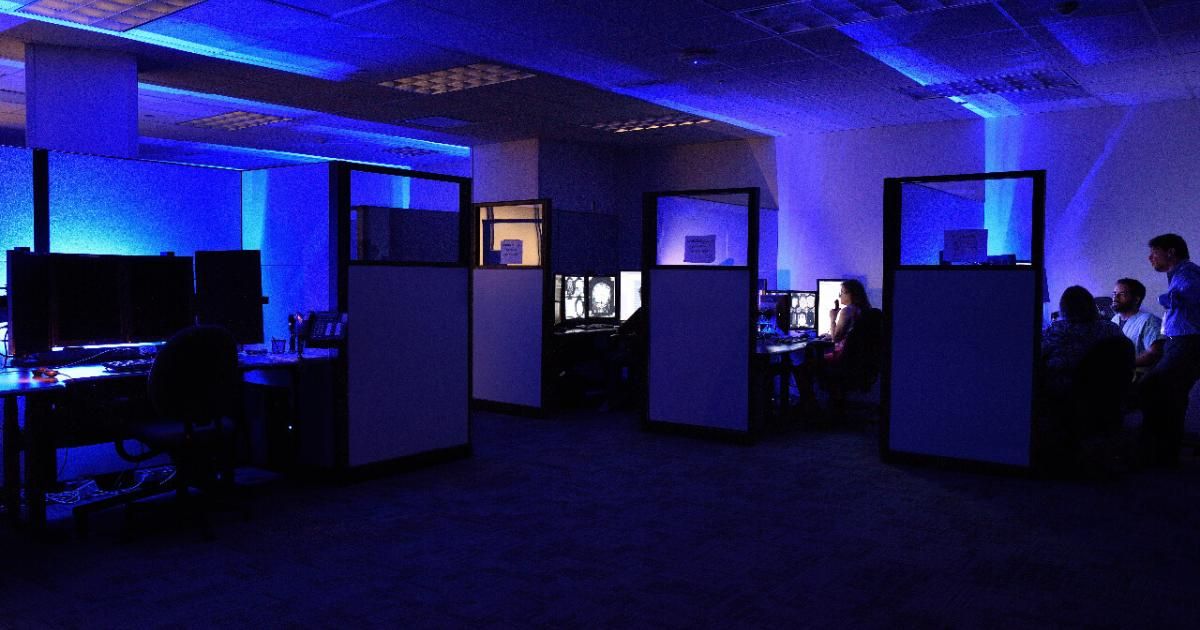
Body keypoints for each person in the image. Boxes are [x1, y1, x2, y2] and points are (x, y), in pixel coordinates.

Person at [1138, 233, 1200, 467]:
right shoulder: (1180, 274)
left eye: (1154, 253)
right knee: (1172, 397)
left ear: (1171, 252)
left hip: (1186, 343)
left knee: (1153, 388)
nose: (1150, 258)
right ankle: (1164, 453)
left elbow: (1191, 292)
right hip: (1181, 343)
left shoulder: (1187, 273)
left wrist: (1167, 298)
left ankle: (1157, 453)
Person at [1041, 286, 1124, 406]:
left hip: (1062, 399)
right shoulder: (1112, 328)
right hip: (1104, 396)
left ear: (1063, 308)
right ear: (1092, 305)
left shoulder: (1056, 330)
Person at [1110, 277, 1163, 367]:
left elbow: (1153, 354)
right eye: (1114, 294)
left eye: (1122, 294)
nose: (1115, 297)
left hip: (1139, 376)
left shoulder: (1149, 320)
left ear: (1136, 300)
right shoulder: (1114, 320)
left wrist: (1122, 366)